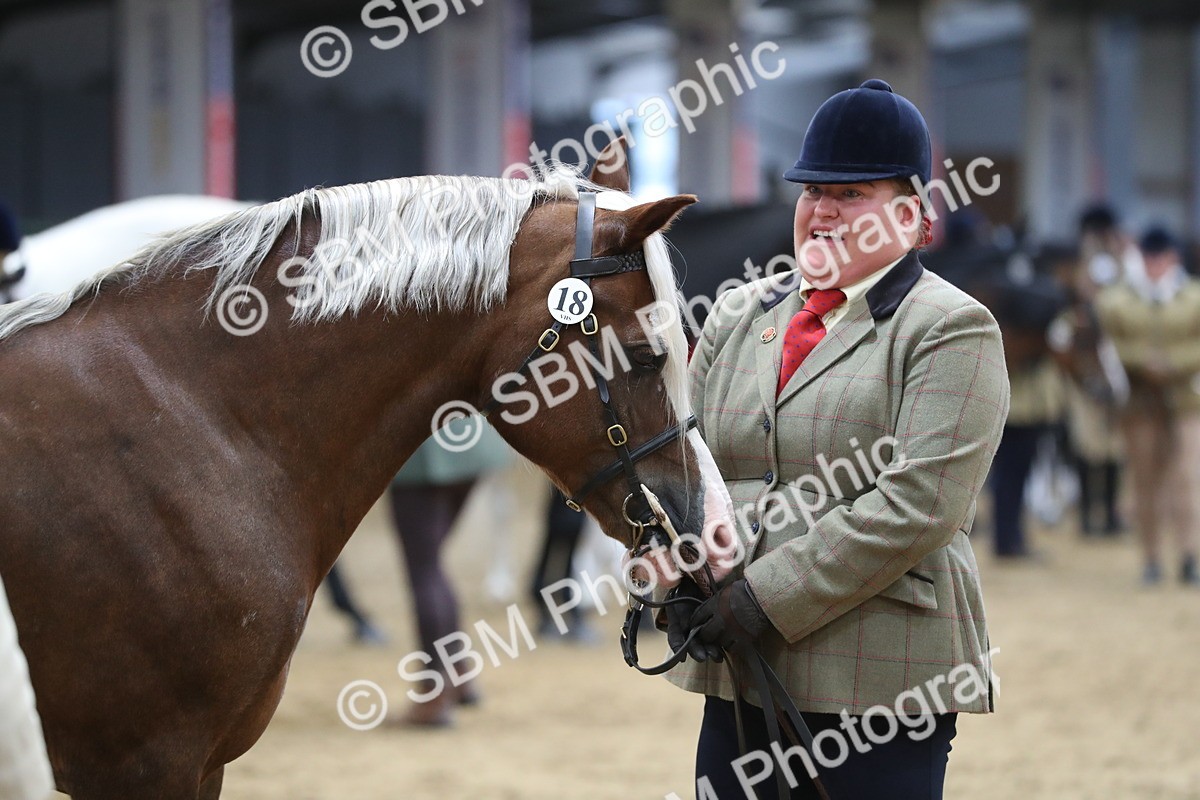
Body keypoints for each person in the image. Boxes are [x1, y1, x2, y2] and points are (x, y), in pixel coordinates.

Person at [673, 79, 1010, 799]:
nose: (822, 208)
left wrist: (764, 596)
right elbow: (684, 461)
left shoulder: (952, 328)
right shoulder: (737, 313)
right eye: (811, 191)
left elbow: (920, 504)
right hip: (740, 668)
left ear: (913, 215)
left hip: (877, 678)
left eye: (852, 193)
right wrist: (677, 570)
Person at [387, 416, 513, 726]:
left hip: (422, 452)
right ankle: (458, 673)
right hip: (468, 444)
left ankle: (433, 695)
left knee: (425, 567)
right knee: (432, 563)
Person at [1096, 226, 1200, 586]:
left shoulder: (1193, 297)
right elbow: (1107, 348)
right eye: (1149, 257)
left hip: (1186, 401)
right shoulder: (1116, 301)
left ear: (1173, 258)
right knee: (1144, 483)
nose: (1155, 264)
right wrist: (1143, 361)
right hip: (1140, 404)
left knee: (1187, 479)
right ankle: (1152, 557)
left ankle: (1189, 555)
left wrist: (1173, 362)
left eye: (1161, 257)